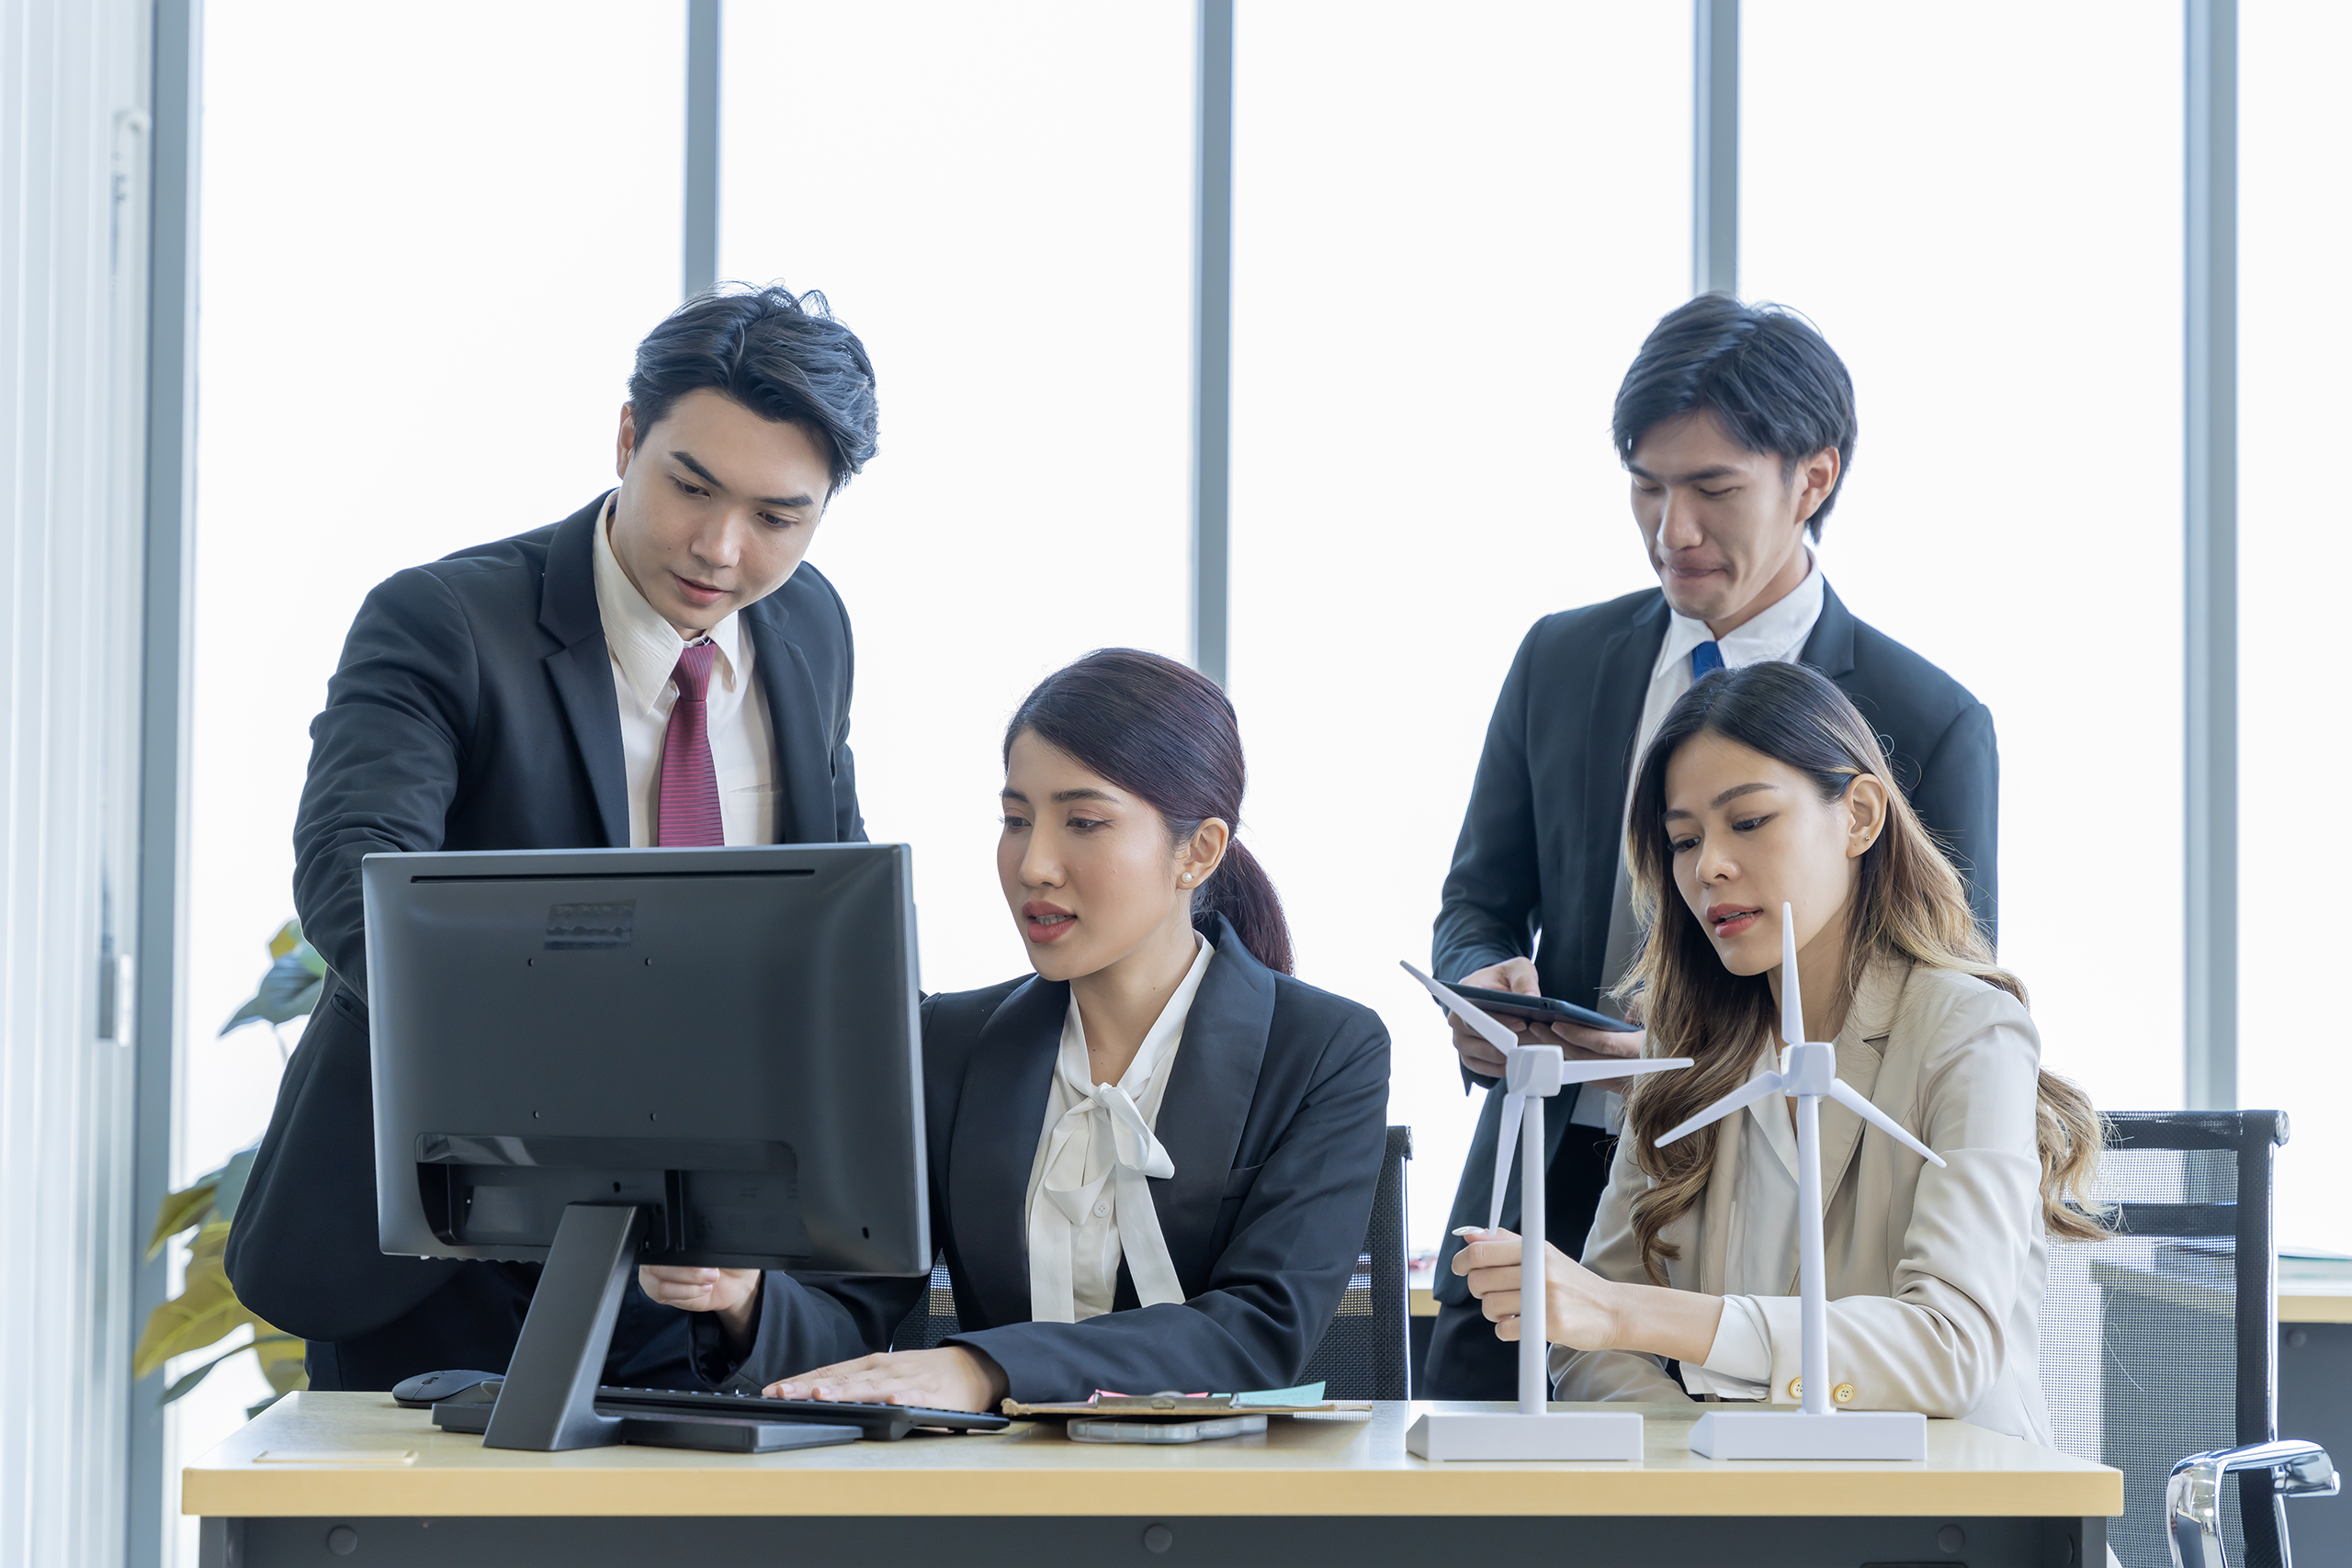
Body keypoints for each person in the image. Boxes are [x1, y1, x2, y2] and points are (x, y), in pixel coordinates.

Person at [225, 284, 881, 1393]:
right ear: (628, 438)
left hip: (712, 1261)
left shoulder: (810, 627)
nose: (721, 550)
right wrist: (600, 1074)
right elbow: (357, 881)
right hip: (456, 1250)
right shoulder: (446, 621)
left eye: (778, 518)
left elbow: (829, 909)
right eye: (690, 486)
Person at [1422, 294, 2001, 1399]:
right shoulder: (1562, 660)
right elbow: (1477, 900)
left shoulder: (1924, 721)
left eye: (1713, 489)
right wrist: (1479, 989)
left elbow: (1938, 989)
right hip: (1554, 1160)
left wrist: (1690, 1043)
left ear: (1813, 480)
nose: (1670, 529)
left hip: (1779, 1183)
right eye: (1646, 486)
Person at [641, 649, 1393, 1409]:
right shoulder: (950, 1040)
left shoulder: (1326, 1050)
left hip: (1223, 1501)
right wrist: (744, 1297)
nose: (1034, 864)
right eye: (1016, 820)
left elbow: (1257, 1331)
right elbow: (850, 1321)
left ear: (1197, 851)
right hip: (994, 1497)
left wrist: (984, 1367)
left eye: (1084, 822)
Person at [1452, 661, 2100, 1441]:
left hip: (1948, 1520)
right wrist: (1707, 1457)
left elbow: (1949, 1348)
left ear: (1860, 814)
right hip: (1747, 1519)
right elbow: (1589, 1350)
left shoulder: (1970, 1031)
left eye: (1749, 821)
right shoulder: (1687, 1050)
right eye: (1684, 840)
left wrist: (1631, 1314)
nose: (1708, 867)